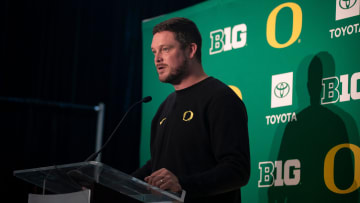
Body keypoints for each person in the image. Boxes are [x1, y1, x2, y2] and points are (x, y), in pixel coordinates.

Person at [132, 17, 250, 203]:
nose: (157, 59)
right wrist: (117, 183)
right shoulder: (163, 108)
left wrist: (182, 185)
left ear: (191, 50)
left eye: (165, 49)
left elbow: (237, 170)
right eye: (154, 51)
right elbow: (156, 165)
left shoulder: (221, 98)